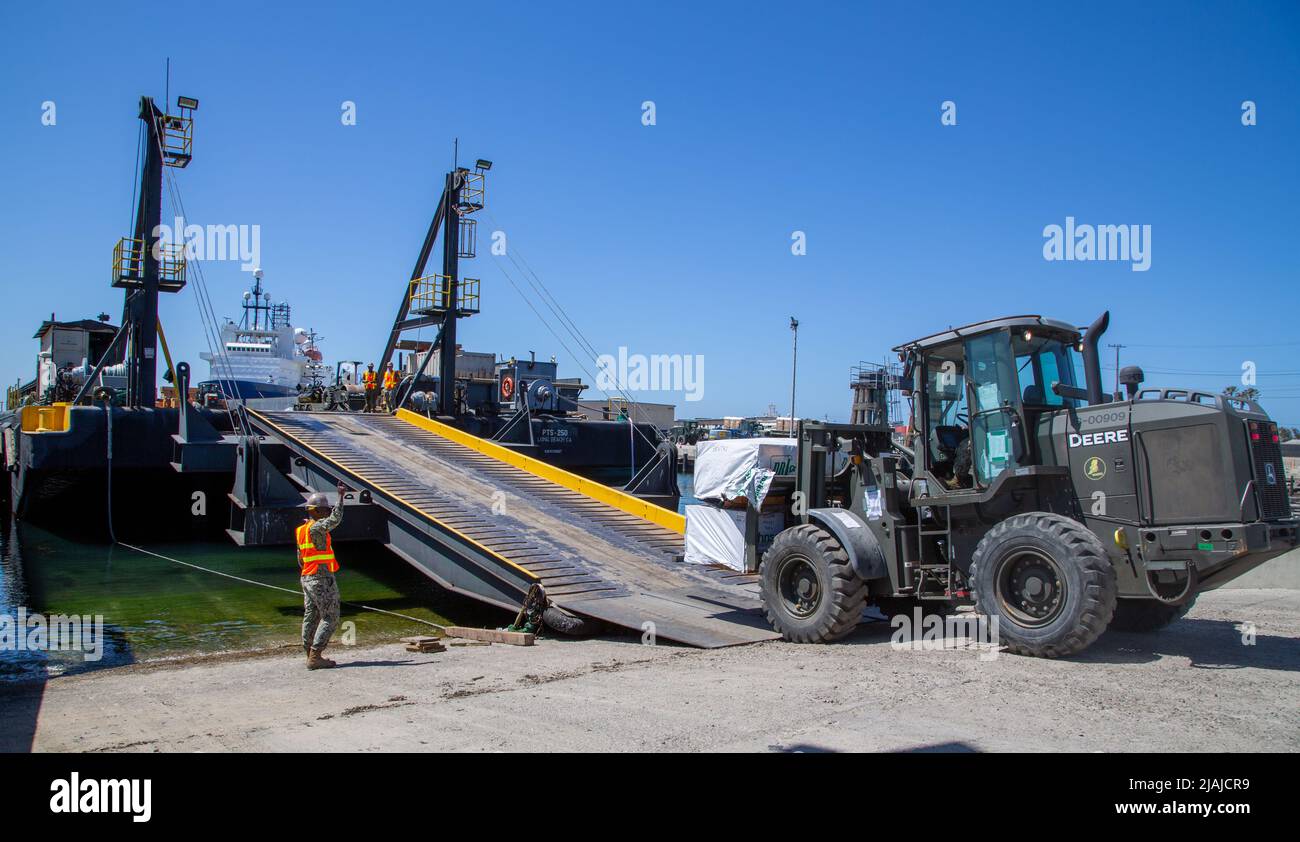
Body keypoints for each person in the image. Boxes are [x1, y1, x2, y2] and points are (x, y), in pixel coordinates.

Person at [297, 482, 347, 670]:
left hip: (307, 577)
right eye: (324, 509)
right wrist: (341, 498)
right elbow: (335, 519)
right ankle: (316, 655)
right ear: (316, 511)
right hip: (321, 578)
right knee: (330, 616)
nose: (327, 512)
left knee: (311, 615)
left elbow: (300, 558)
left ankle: (309, 652)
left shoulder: (301, 530)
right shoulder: (316, 528)